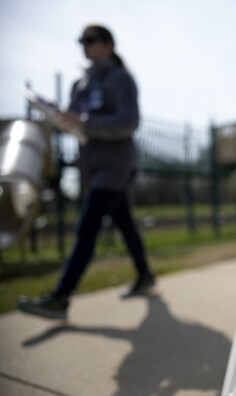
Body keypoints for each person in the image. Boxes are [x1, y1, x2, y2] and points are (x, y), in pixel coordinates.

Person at [18, 24, 155, 320]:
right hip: (92, 167)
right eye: (82, 41)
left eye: (91, 41)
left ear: (108, 44)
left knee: (87, 225)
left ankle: (60, 297)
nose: (85, 46)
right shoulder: (80, 84)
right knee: (125, 223)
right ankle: (145, 275)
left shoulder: (120, 79)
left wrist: (86, 123)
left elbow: (129, 122)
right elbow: (75, 125)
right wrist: (59, 116)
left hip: (117, 165)